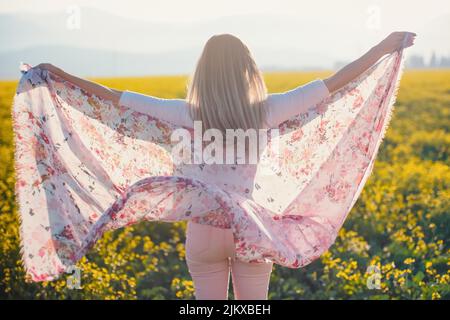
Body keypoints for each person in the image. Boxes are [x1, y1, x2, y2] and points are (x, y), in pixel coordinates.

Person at [34, 31, 415, 300]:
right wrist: (384, 46)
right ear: (248, 70)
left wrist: (60, 76)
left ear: (204, 75)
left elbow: (118, 100)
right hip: (252, 230)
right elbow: (333, 84)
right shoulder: (268, 111)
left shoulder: (184, 113)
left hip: (204, 231)